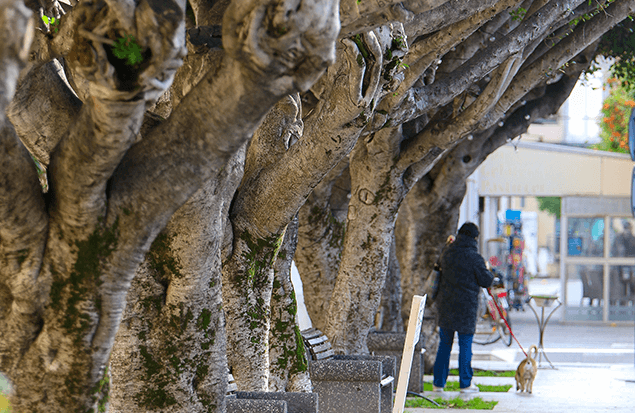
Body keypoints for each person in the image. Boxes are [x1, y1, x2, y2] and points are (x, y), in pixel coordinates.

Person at [432, 222, 493, 393]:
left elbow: (437, 268)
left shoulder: (447, 253)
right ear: (474, 238)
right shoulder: (475, 258)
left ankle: (438, 383)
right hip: (466, 308)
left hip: (445, 306)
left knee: (444, 345)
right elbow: (486, 281)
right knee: (465, 346)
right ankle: (465, 383)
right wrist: (488, 269)